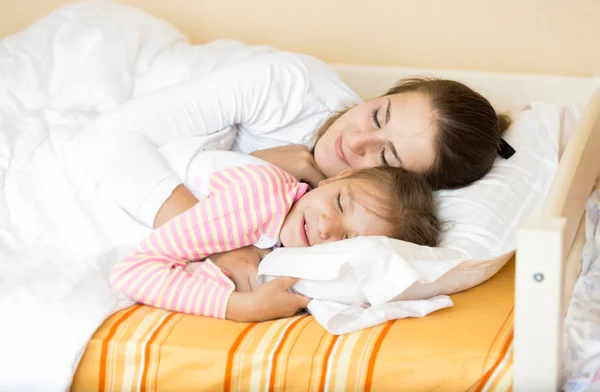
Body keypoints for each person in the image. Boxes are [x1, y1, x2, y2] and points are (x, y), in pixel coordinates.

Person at [71, 44, 511, 233]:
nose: (356, 140)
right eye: (378, 114)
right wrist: (223, 246)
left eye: (386, 157)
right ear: (384, 94)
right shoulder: (290, 85)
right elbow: (109, 136)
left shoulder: (352, 217)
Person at [110, 163, 440, 322]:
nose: (327, 228)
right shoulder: (259, 197)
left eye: (348, 239)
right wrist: (239, 307)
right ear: (335, 177)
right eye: (340, 203)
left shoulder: (292, 249)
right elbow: (133, 271)